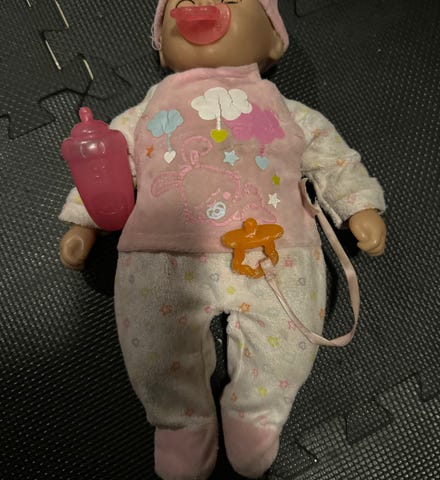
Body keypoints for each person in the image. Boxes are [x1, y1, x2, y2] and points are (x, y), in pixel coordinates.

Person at [59, 1, 386, 478]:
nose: (203, 6)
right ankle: (179, 421)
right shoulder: (147, 110)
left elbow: (330, 156)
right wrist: (85, 221)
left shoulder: (285, 109)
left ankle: (258, 412)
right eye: (181, 4)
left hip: (276, 252)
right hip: (162, 255)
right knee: (154, 349)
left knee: (287, 342)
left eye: (232, 0)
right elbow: (108, 162)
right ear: (163, 49)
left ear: (274, 42)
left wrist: (358, 206)